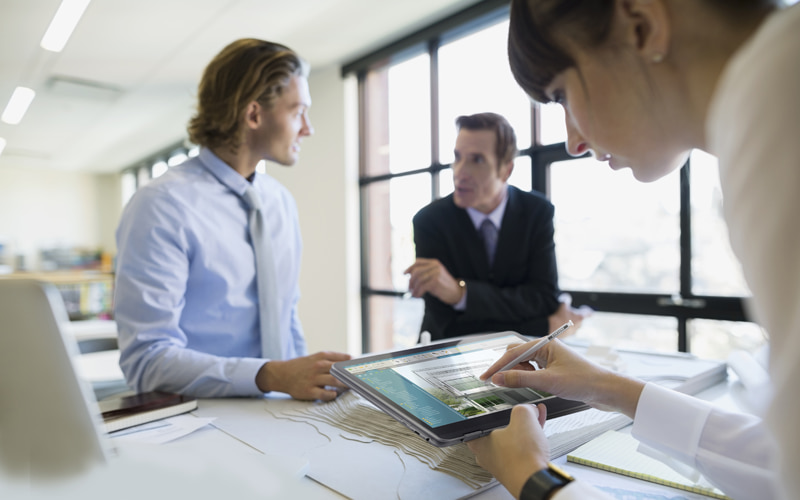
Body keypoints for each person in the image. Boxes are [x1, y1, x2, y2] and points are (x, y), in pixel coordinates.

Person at [467, 1, 799, 499]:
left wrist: (535, 478)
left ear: (642, 25)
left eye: (561, 94)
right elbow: (787, 461)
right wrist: (610, 388)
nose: (573, 142)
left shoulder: (776, 125)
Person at [114, 38, 350, 400]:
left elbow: (285, 317)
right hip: (198, 423)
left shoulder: (279, 202)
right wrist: (272, 375)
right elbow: (146, 361)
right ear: (254, 115)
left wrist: (305, 381)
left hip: (282, 415)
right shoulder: (162, 205)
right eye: (297, 111)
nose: (308, 128)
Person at [404, 112, 590, 342]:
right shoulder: (429, 221)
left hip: (521, 358)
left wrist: (460, 294)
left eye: (477, 160)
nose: (460, 171)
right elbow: (449, 326)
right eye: (457, 157)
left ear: (506, 170)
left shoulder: (537, 211)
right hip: (446, 356)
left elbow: (543, 298)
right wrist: (543, 325)